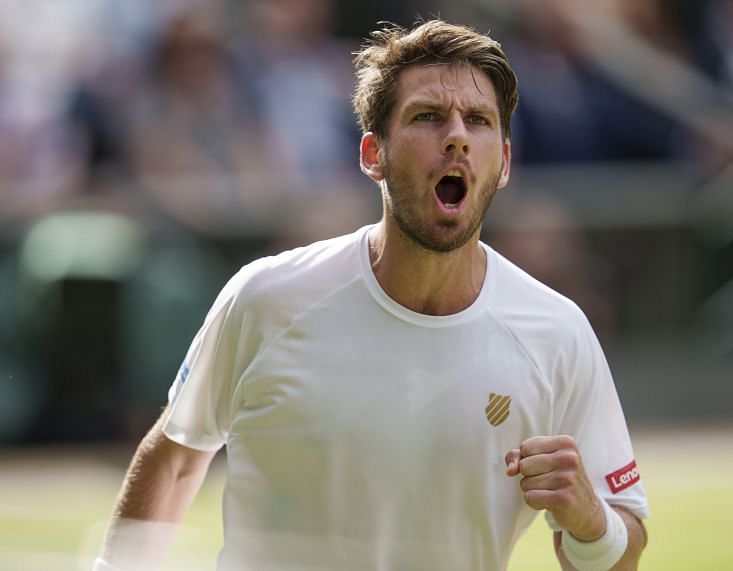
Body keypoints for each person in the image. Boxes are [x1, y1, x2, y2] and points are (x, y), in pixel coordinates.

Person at [95, 19, 649, 571]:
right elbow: (174, 457)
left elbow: (619, 552)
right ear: (372, 154)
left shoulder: (557, 331)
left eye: (478, 121)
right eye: (428, 116)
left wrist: (590, 520)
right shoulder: (266, 297)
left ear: (502, 162)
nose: (456, 135)